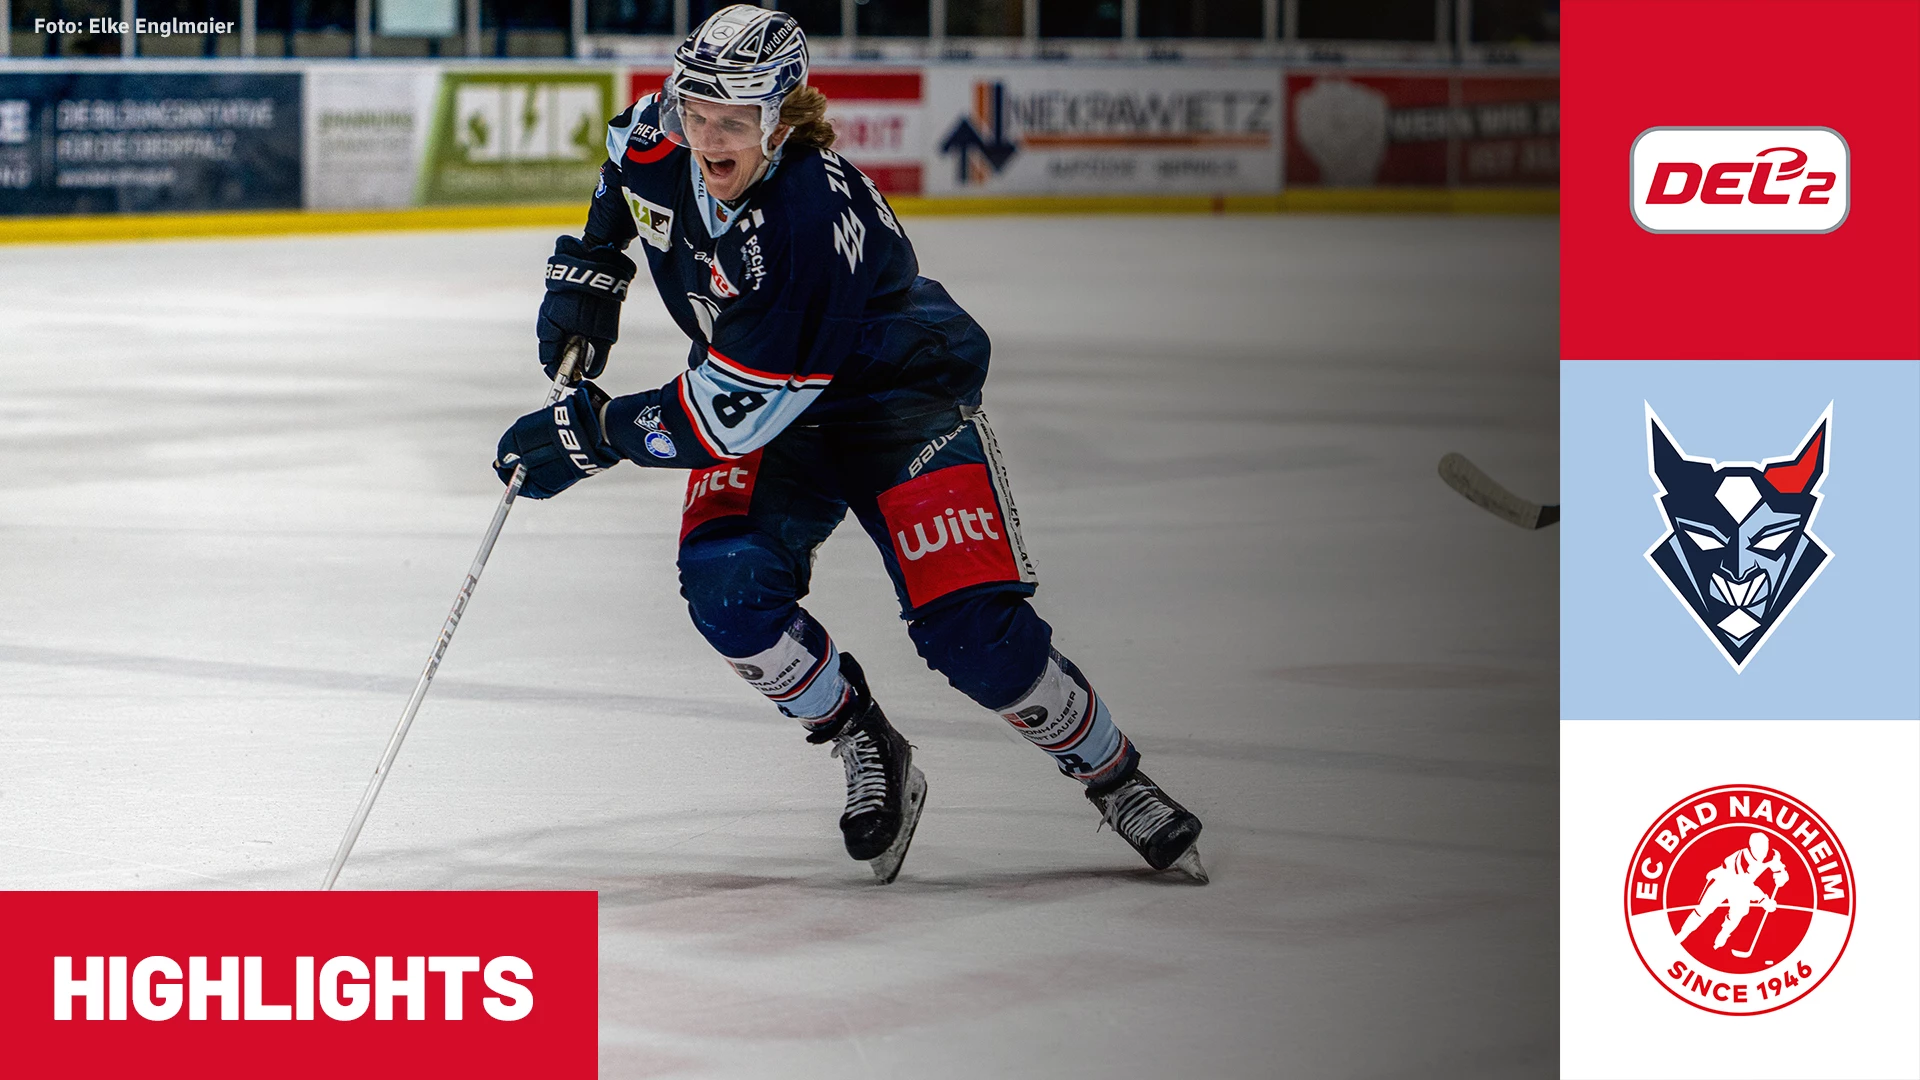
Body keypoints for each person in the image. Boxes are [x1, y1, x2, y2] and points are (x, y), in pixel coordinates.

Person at [493, 4, 1205, 884]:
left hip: (895, 407)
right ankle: (861, 735)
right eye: (694, 111)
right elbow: (623, 170)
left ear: (781, 120)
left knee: (974, 636)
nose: (704, 137)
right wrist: (593, 271)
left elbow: (729, 418)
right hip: (768, 396)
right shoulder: (661, 132)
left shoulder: (804, 219)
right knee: (726, 592)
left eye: (730, 122)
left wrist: (591, 434)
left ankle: (1113, 774)